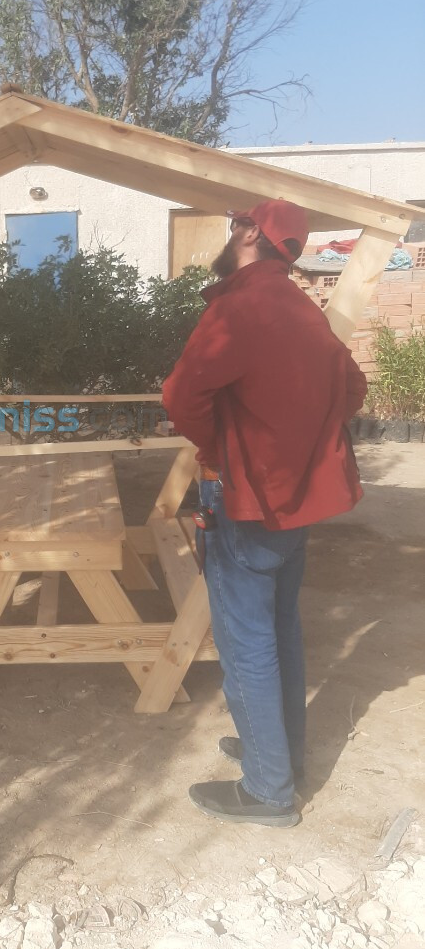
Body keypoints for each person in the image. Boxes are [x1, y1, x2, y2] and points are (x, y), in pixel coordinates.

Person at [162, 198, 367, 827]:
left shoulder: (241, 304)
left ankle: (268, 791)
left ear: (252, 233)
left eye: (235, 225)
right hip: (297, 499)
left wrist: (217, 447)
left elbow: (181, 394)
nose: (229, 234)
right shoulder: (301, 308)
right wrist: (298, 438)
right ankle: (277, 756)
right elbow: (352, 389)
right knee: (281, 630)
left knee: (247, 641)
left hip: (248, 499)